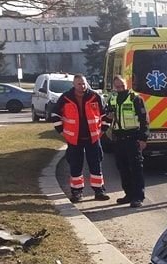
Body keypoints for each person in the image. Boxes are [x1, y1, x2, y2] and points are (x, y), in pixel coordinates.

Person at [53, 74, 109, 202]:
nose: (82, 86)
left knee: (96, 165)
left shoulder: (95, 96)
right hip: (74, 139)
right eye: (79, 84)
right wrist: (62, 132)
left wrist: (102, 131)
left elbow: (105, 115)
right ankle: (77, 193)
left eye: (84, 83)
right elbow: (55, 115)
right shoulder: (66, 98)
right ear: (73, 84)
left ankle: (99, 191)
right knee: (75, 166)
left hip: (93, 138)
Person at [106, 75, 149, 208]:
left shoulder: (135, 98)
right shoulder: (112, 98)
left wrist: (143, 138)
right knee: (122, 168)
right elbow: (106, 116)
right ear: (114, 87)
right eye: (117, 87)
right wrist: (108, 116)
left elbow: (144, 120)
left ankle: (138, 197)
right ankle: (128, 194)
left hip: (133, 138)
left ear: (126, 84)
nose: (120, 89)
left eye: (122, 86)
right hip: (118, 139)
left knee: (136, 169)